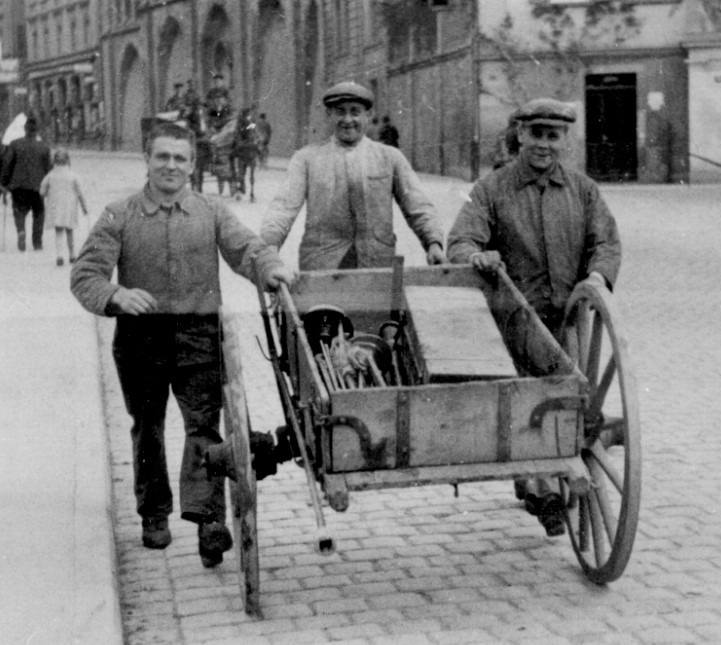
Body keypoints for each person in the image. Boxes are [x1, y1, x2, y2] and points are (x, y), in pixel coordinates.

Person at [70, 122, 294, 568]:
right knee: (147, 428)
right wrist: (115, 295)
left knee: (203, 428)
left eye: (180, 158)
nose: (171, 166)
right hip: (140, 338)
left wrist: (269, 269)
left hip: (198, 335)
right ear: (147, 161)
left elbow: (246, 248)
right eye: (162, 157)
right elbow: (84, 275)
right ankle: (154, 513)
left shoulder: (211, 211)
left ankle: (209, 520)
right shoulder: (120, 214)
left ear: (193, 165)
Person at [447, 97, 621, 536]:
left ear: (564, 140)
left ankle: (542, 477)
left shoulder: (583, 191)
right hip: (514, 320)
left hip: (567, 318)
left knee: (564, 395)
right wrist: (476, 255)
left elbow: (606, 242)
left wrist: (599, 276)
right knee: (528, 402)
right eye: (536, 135)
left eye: (553, 136)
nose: (543, 145)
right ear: (519, 135)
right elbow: (461, 239)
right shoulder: (493, 188)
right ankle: (543, 491)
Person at [260, 81, 447, 270]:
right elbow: (283, 207)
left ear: (368, 115)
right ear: (329, 115)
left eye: (355, 112)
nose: (348, 120)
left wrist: (434, 243)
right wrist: (270, 245)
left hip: (377, 267)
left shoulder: (390, 157)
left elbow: (417, 205)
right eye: (340, 111)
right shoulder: (306, 159)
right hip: (321, 267)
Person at [1, 116, 52, 251]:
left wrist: (4, 184)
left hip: (18, 186)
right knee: (39, 213)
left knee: (19, 210)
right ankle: (37, 242)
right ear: (37, 130)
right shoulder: (44, 147)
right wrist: (48, 186)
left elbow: (7, 164)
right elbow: (49, 168)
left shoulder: (14, 144)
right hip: (37, 186)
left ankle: (21, 231)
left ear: (25, 129)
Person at [40, 148, 88, 267]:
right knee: (70, 230)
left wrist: (47, 193)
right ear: (68, 161)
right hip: (70, 207)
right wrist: (84, 207)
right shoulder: (73, 176)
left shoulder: (50, 176)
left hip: (55, 207)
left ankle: (59, 255)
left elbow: (42, 191)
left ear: (54, 162)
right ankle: (72, 254)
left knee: (59, 231)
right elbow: (80, 193)